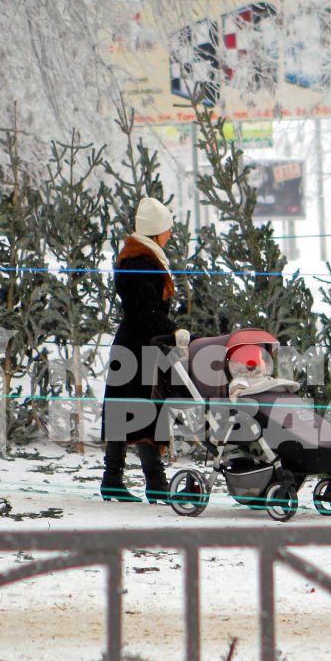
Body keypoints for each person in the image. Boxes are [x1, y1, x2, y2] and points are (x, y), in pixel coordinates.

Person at [100, 197, 187, 502]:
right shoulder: (142, 262)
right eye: (168, 229)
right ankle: (156, 484)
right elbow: (147, 311)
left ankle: (114, 480)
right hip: (140, 346)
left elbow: (144, 311)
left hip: (136, 342)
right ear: (156, 232)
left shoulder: (140, 258)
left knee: (125, 411)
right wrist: (173, 331)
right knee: (144, 410)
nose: (171, 234)